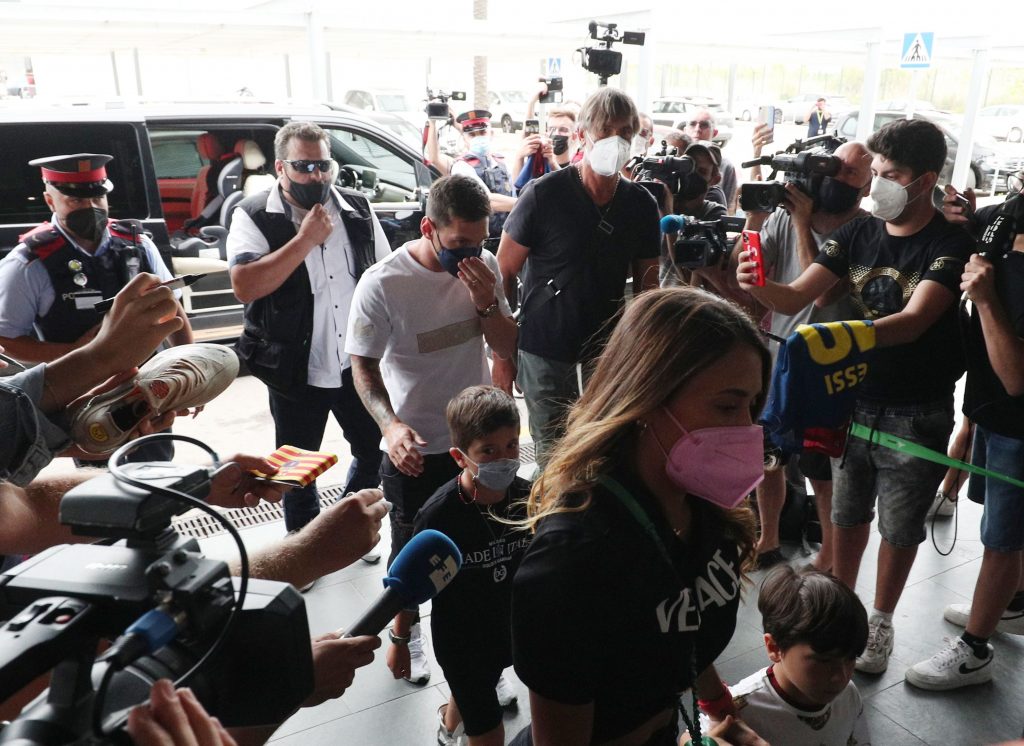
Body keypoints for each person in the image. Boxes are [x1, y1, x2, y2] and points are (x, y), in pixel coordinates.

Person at [736, 117, 975, 674]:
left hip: (917, 407)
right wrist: (755, 284)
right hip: (854, 398)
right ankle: (841, 607)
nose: (876, 186)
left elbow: (915, 320)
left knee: (900, 521)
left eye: (891, 175)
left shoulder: (948, 242)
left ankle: (881, 620)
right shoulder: (855, 234)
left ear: (925, 180)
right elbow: (799, 294)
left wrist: (843, 339)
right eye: (877, 173)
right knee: (845, 513)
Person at [511, 287, 769, 746]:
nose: (747, 430)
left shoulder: (702, 505)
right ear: (648, 399)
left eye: (753, 405)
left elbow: (684, 621)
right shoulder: (572, 561)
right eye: (728, 406)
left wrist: (718, 708)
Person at [347, 174, 516, 686]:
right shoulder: (383, 283)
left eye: (480, 240)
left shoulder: (483, 269)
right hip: (416, 445)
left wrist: (487, 301)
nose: (470, 253)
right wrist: (390, 425)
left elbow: (507, 345)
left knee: (488, 547)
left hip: (477, 444)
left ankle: (491, 652)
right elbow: (363, 368)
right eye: (459, 243)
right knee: (412, 549)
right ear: (428, 227)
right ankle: (406, 634)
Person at [227, 121, 390, 539]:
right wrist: (304, 240)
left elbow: (384, 279)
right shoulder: (254, 214)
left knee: (373, 451)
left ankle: (347, 528)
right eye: (304, 166)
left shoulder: (356, 209)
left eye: (323, 166)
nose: (316, 176)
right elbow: (246, 286)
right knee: (296, 468)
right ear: (281, 167)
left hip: (355, 363)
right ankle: (304, 542)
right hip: (294, 365)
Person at [494, 87, 661, 463]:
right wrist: (502, 355)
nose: (614, 141)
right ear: (582, 134)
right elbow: (502, 273)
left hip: (607, 352)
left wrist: (644, 357)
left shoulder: (640, 205)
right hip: (544, 347)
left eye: (624, 133)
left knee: (604, 451)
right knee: (552, 455)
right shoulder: (543, 195)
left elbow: (650, 288)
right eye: (605, 130)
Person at [905, 187, 1024, 690]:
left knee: (1001, 539)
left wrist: (986, 298)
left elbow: (1018, 378)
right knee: (1007, 529)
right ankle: (1010, 600)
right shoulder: (1006, 216)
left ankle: (975, 651)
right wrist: (964, 218)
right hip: (988, 407)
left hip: (1018, 419)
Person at [0, 153, 193, 463]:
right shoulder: (28, 263)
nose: (90, 208)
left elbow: (172, 308)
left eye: (97, 196)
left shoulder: (137, 244)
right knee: (100, 485)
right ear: (51, 201)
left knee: (159, 479)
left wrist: (188, 368)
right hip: (83, 399)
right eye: (75, 201)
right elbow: (7, 340)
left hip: (147, 390)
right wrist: (76, 351)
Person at [735, 139, 873, 571]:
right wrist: (756, 217)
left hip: (829, 366)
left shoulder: (865, 231)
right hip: (778, 355)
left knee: (822, 468)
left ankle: (830, 555)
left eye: (850, 173)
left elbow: (826, 296)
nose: (836, 180)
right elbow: (749, 268)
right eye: (833, 170)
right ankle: (769, 537)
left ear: (867, 185)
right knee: (768, 457)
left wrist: (802, 224)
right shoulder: (780, 216)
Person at [385, 385, 531, 746]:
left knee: (473, 693)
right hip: (463, 641)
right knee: (488, 731)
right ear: (460, 456)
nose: (505, 459)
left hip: (513, 627)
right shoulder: (439, 514)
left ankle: (449, 725)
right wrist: (400, 640)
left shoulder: (529, 498)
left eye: (511, 445)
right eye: (489, 451)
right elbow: (406, 587)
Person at [714, 566, 869, 745]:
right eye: (824, 660)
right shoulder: (740, 707)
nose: (840, 677)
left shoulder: (848, 694)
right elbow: (691, 736)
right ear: (774, 647)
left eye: (851, 658)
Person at [659, 141, 728, 287]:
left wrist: (668, 215)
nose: (692, 175)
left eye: (701, 171)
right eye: (689, 167)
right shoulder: (661, 200)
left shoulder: (714, 214)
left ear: (715, 179)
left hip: (685, 303)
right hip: (653, 301)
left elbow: (688, 279)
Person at [451, 110, 516, 238]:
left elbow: (515, 190)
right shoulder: (461, 167)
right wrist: (526, 204)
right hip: (479, 240)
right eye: (472, 135)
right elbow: (485, 200)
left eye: (482, 132)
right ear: (464, 139)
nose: (478, 138)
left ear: (491, 134)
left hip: (508, 235)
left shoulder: (502, 162)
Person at [682, 109, 737, 211]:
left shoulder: (726, 167)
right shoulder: (675, 161)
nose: (697, 129)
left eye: (704, 125)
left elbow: (729, 209)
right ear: (685, 130)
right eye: (692, 124)